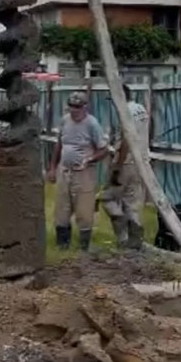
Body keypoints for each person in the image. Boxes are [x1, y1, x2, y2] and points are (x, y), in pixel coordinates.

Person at [48, 92, 109, 251]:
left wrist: (89, 159)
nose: (74, 110)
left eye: (77, 107)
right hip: (65, 170)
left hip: (84, 172)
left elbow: (103, 150)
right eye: (72, 107)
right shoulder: (65, 120)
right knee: (62, 208)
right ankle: (62, 244)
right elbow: (59, 144)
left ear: (84, 107)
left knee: (84, 209)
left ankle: (84, 245)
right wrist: (53, 167)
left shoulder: (92, 124)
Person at [102, 84, 150, 250]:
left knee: (108, 198)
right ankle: (135, 241)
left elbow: (126, 141)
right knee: (132, 202)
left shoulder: (125, 112)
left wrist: (117, 166)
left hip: (126, 162)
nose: (112, 103)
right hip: (141, 163)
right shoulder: (140, 109)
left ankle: (123, 238)